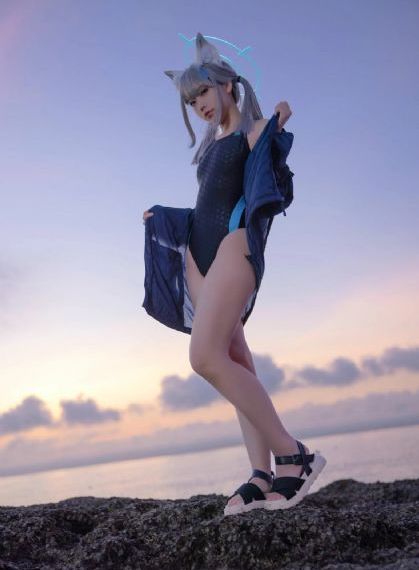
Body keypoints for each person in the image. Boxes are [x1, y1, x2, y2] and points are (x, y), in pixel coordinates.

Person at [142, 32, 326, 516]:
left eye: (202, 91)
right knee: (234, 359)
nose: (199, 104)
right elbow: (207, 205)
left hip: (234, 248)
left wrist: (277, 121)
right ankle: (261, 474)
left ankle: (294, 455)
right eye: (190, 101)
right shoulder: (212, 145)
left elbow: (269, 171)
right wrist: (162, 216)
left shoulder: (254, 129)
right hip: (200, 257)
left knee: (204, 357)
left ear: (226, 83)